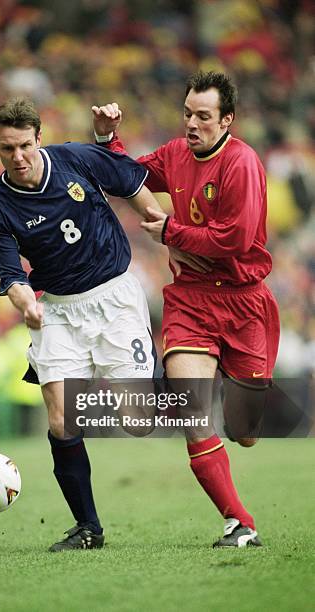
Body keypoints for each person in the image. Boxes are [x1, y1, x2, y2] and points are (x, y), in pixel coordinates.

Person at [92, 70, 280, 548]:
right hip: (191, 299)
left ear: (227, 120)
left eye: (203, 116)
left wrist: (170, 230)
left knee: (246, 431)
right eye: (187, 114)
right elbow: (128, 176)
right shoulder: (175, 154)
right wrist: (105, 137)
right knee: (192, 411)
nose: (192, 124)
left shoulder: (242, 164)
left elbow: (235, 240)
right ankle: (240, 523)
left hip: (244, 303)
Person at [0, 96, 166, 552]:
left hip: (114, 298)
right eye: (7, 149)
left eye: (24, 145)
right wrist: (26, 304)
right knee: (62, 419)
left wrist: (168, 234)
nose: (18, 157)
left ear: (39, 139)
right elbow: (10, 274)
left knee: (138, 420)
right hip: (58, 310)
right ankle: (88, 528)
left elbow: (130, 183)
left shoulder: (75, 159)